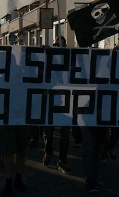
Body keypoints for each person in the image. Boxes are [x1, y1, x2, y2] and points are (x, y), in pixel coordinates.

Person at [42, 36, 71, 173]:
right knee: (48, 132)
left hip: (66, 102)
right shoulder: (48, 59)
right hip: (50, 101)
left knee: (65, 135)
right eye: (55, 45)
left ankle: (62, 160)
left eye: (60, 45)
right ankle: (48, 150)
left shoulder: (71, 59)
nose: (57, 47)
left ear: (65, 47)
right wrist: (42, 54)